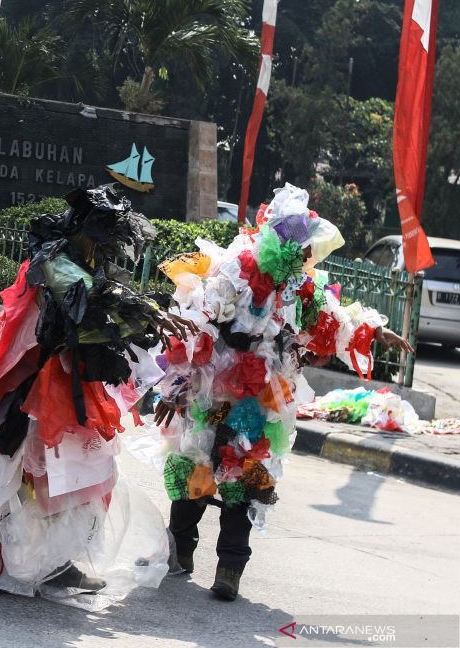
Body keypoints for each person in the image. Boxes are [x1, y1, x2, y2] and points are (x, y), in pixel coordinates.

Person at [151, 184, 412, 601]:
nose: (310, 256)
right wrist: (177, 385)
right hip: (214, 388)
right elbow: (198, 318)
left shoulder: (302, 288)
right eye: (305, 248)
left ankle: (230, 568)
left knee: (246, 477)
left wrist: (376, 330)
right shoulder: (236, 267)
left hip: (262, 398)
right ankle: (179, 550)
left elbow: (333, 321)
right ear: (286, 242)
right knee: (194, 469)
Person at [0, 184, 191, 607]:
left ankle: (58, 564)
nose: (108, 251)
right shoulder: (55, 260)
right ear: (83, 230)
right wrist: (136, 310)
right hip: (36, 391)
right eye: (103, 239)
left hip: (74, 388)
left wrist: (143, 317)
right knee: (23, 478)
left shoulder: (91, 262)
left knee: (85, 478)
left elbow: (100, 312)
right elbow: (83, 303)